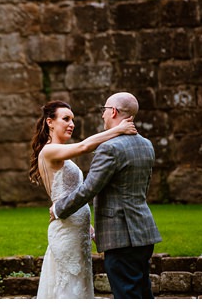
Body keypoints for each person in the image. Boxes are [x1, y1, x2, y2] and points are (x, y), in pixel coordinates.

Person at [50, 92, 161, 299]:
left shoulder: (109, 148)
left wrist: (59, 208)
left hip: (121, 236)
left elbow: (89, 189)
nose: (102, 115)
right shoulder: (146, 144)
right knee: (143, 293)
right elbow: (144, 188)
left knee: (127, 295)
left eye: (104, 110)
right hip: (144, 231)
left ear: (114, 111)